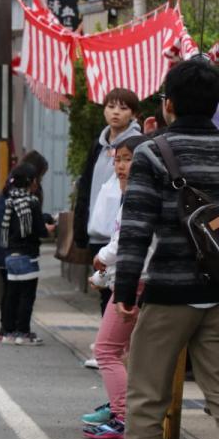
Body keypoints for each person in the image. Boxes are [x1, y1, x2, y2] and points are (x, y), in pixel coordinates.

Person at [115, 57, 219, 439]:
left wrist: (124, 289)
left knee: (146, 396)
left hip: (170, 293)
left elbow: (136, 227)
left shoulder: (153, 153)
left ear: (169, 104)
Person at [81, 135, 148, 439]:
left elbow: (125, 244)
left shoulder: (139, 194)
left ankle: (122, 416)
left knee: (106, 350)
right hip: (134, 280)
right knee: (126, 352)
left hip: (132, 283)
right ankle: (126, 413)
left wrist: (100, 259)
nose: (121, 166)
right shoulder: (132, 192)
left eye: (128, 159)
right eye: (118, 159)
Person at [74, 88, 142, 311]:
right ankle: (108, 335)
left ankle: (114, 340)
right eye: (111, 106)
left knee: (118, 287)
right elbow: (85, 186)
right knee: (102, 287)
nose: (116, 113)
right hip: (97, 229)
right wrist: (80, 227)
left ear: (133, 114)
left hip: (121, 230)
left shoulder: (136, 144)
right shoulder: (99, 145)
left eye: (123, 108)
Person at [0, 163, 46, 345]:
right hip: (27, 255)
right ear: (32, 182)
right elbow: (40, 230)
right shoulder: (32, 203)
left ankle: (8, 332)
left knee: (12, 294)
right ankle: (23, 332)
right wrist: (48, 228)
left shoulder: (9, 202)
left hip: (10, 255)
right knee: (27, 296)